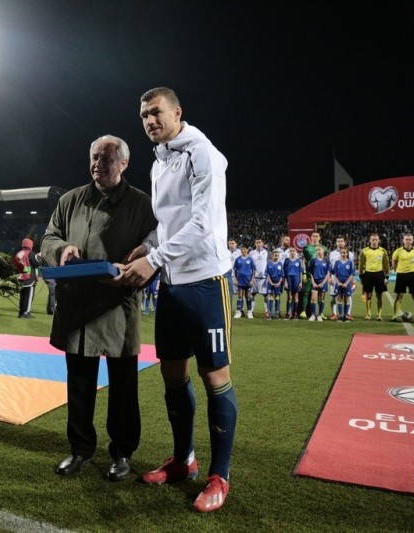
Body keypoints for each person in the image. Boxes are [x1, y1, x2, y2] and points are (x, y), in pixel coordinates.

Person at [120, 87, 237, 513]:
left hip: (206, 281)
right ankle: (184, 460)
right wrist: (149, 245)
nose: (150, 121)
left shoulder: (202, 153)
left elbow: (203, 223)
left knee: (214, 375)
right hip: (171, 283)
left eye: (156, 112)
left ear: (177, 112)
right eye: (144, 116)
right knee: (172, 373)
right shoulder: (159, 160)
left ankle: (219, 475)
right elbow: (168, 222)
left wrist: (153, 259)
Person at [40, 135, 157, 482]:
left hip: (118, 307)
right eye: (94, 157)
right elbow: (48, 237)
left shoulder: (141, 203)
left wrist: (142, 257)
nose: (97, 164)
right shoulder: (70, 199)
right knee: (79, 384)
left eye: (106, 158)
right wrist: (61, 249)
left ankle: (122, 453)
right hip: (77, 306)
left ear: (123, 163)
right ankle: (80, 449)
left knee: (123, 388)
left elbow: (156, 242)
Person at [390, 232, 414, 323]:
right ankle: (395, 315)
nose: (408, 241)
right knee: (399, 296)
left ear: (412, 241)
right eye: (406, 239)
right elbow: (394, 262)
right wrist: (397, 270)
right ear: (403, 240)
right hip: (401, 275)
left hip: (413, 276)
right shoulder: (398, 251)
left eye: (410, 239)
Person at [358, 233, 389, 321]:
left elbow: (386, 264)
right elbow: (361, 264)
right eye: (373, 240)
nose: (374, 241)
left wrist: (387, 277)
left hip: (379, 274)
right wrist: (361, 276)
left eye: (376, 240)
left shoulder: (383, 251)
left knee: (379, 296)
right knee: (368, 296)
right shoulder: (364, 251)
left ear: (379, 241)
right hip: (368, 274)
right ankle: (368, 314)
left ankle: (379, 315)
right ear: (370, 240)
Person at [299, 232, 327, 318]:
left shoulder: (324, 248)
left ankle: (320, 313)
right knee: (306, 292)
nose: (315, 237)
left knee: (321, 294)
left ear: (319, 237)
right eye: (313, 236)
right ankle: (303, 311)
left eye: (316, 236)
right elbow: (303, 261)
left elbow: (325, 261)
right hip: (309, 273)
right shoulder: (306, 248)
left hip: (321, 275)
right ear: (311, 237)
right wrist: (304, 273)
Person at [328, 236, 355, 320]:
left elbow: (352, 269)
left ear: (344, 242)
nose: (340, 242)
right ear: (336, 243)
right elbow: (330, 266)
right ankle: (334, 313)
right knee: (333, 297)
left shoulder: (350, 254)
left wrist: (353, 280)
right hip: (335, 278)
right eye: (338, 241)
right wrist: (329, 277)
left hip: (347, 278)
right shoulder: (332, 253)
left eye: (341, 241)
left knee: (348, 297)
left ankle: (348, 314)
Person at [14, 238, 42, 318]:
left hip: (20, 278)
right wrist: (39, 257)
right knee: (28, 297)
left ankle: (21, 312)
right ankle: (26, 313)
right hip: (29, 278)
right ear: (30, 245)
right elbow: (37, 263)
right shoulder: (30, 253)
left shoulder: (18, 253)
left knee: (22, 297)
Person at [307, 246, 330, 321]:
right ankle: (313, 315)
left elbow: (328, 273)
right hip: (315, 281)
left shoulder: (327, 261)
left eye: (319, 249)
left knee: (322, 299)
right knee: (313, 298)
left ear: (323, 251)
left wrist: (323, 283)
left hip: (323, 281)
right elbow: (310, 272)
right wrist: (313, 282)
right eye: (316, 250)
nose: (318, 251)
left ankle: (320, 315)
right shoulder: (313, 260)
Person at [232, 245, 254, 319]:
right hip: (240, 281)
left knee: (248, 297)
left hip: (248, 281)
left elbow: (253, 270)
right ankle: (239, 312)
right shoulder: (238, 259)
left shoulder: (250, 259)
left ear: (247, 250)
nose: (243, 251)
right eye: (242, 249)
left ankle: (249, 312)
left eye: (245, 249)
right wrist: (235, 279)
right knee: (240, 297)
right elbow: (234, 270)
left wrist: (252, 280)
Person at [283, 246, 304, 320]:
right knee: (290, 297)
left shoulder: (299, 261)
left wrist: (301, 282)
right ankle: (288, 313)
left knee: (296, 297)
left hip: (296, 279)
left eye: (293, 251)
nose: (292, 252)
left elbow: (300, 272)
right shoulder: (287, 261)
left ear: (296, 252)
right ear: (289, 252)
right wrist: (285, 282)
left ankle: (295, 313)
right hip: (289, 279)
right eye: (290, 251)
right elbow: (285, 273)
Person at [249, 238, 268, 316]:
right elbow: (250, 265)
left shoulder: (266, 252)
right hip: (254, 277)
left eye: (260, 242)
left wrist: (268, 275)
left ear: (262, 243)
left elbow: (269, 264)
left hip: (264, 277)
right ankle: (251, 311)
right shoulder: (251, 253)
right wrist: (251, 277)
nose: (258, 244)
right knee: (252, 294)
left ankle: (267, 311)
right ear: (255, 243)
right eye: (257, 242)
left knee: (265, 295)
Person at [265, 249, 284, 319]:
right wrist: (271, 283)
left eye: (278, 256)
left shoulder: (280, 264)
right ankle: (269, 314)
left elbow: (282, 275)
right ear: (272, 256)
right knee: (270, 298)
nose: (276, 257)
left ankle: (277, 314)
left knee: (277, 298)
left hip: (278, 284)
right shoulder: (269, 263)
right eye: (275, 255)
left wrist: (279, 283)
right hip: (270, 284)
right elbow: (267, 274)